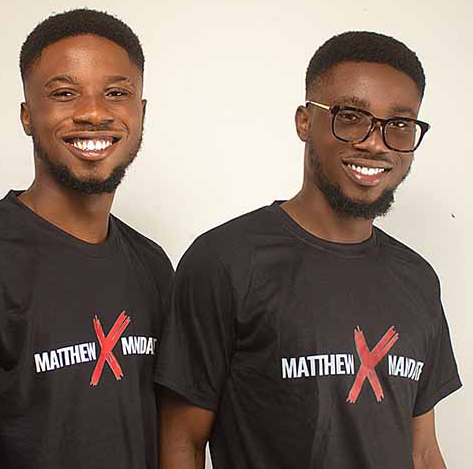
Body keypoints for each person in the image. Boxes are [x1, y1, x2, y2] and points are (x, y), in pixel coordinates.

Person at [156, 31, 461, 469]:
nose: (375, 143)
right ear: (304, 122)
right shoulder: (226, 262)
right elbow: (182, 442)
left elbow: (423, 451)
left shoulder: (418, 279)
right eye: (351, 116)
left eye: (399, 125)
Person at [0, 9, 173, 469]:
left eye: (116, 93)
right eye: (64, 94)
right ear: (27, 116)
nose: (93, 113)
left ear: (140, 112)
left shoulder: (153, 266)